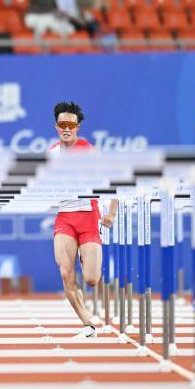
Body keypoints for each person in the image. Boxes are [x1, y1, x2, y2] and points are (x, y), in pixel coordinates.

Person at [48, 101, 117, 338]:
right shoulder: (51, 154)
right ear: (56, 126)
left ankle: (83, 253)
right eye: (62, 125)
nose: (66, 129)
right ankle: (89, 324)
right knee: (66, 273)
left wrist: (112, 213)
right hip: (65, 218)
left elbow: (113, 181)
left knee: (91, 279)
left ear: (78, 127)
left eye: (71, 125)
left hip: (88, 216)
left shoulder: (89, 152)